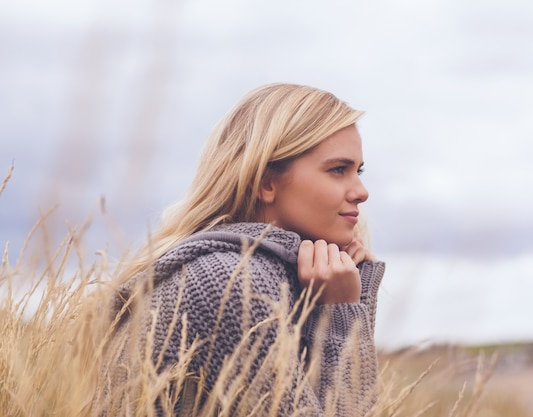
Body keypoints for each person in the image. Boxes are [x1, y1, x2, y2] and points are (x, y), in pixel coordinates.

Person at [103, 83, 385, 417]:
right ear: (266, 183)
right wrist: (342, 312)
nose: (362, 191)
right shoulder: (232, 281)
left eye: (359, 170)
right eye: (338, 169)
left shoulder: (265, 275)